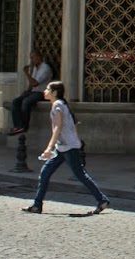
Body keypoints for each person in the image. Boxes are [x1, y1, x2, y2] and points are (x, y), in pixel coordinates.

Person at [22, 81, 108, 214]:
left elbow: (58, 126)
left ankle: (102, 200)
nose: (45, 91)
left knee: (80, 175)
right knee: (45, 173)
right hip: (62, 147)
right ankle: (37, 204)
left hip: (68, 147)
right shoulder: (61, 104)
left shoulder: (57, 105)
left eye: (47, 89)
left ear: (54, 93)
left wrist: (49, 147)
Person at [7, 50, 55, 135]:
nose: (32, 60)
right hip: (33, 92)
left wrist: (26, 73)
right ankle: (18, 125)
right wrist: (26, 91)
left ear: (38, 57)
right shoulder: (36, 68)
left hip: (42, 92)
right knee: (16, 101)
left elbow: (35, 83)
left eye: (33, 57)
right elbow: (31, 85)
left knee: (26, 102)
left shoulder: (45, 68)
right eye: (31, 58)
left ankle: (24, 126)